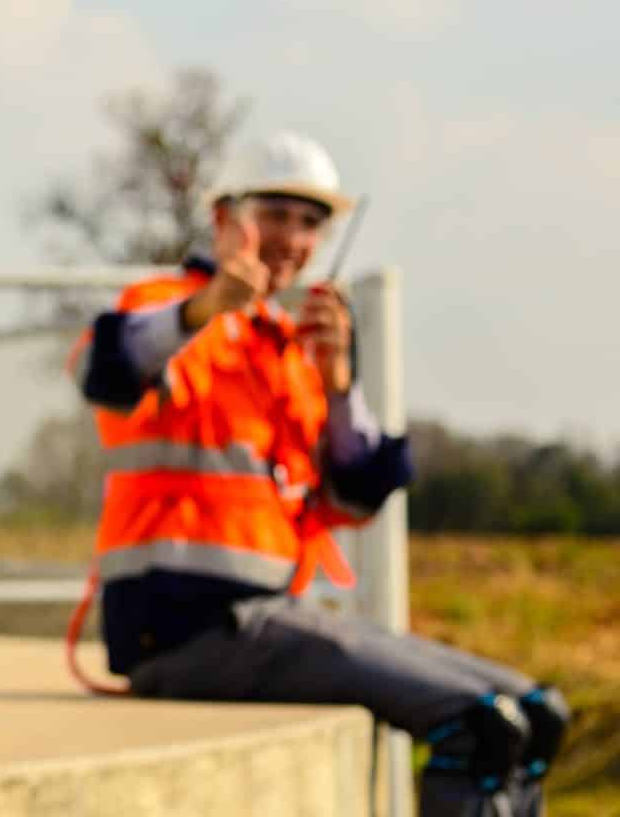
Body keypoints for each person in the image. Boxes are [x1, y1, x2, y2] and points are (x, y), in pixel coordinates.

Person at [69, 131, 569, 815]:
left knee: (535, 714)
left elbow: (356, 494)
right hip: (185, 631)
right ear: (223, 220)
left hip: (275, 618)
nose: (294, 237)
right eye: (275, 213)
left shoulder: (291, 349)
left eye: (311, 222)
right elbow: (109, 371)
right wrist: (204, 309)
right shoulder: (169, 305)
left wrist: (340, 389)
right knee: (477, 724)